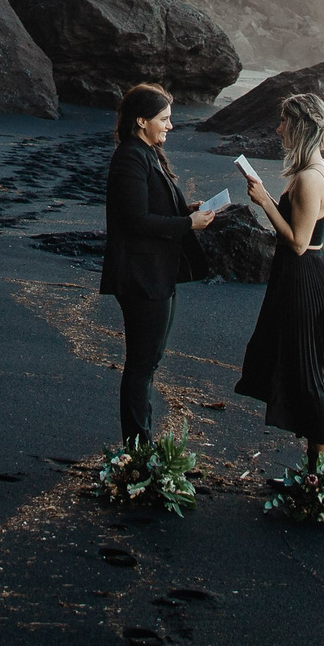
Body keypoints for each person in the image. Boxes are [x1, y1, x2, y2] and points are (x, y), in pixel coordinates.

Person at [99, 84, 215, 442]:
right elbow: (134, 220)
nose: (170, 126)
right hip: (141, 276)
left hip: (156, 273)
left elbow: (149, 208)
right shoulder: (130, 157)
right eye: (164, 119)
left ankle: (140, 446)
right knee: (141, 366)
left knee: (148, 363)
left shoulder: (147, 153)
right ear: (141, 121)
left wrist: (186, 211)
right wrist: (187, 225)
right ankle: (137, 449)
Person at [236, 92, 324, 465]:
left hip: (305, 278)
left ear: (299, 127)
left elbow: (298, 242)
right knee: (303, 369)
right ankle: (315, 473)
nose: (278, 128)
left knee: (310, 373)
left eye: (283, 121)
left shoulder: (311, 177)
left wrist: (264, 201)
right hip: (300, 277)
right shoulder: (312, 170)